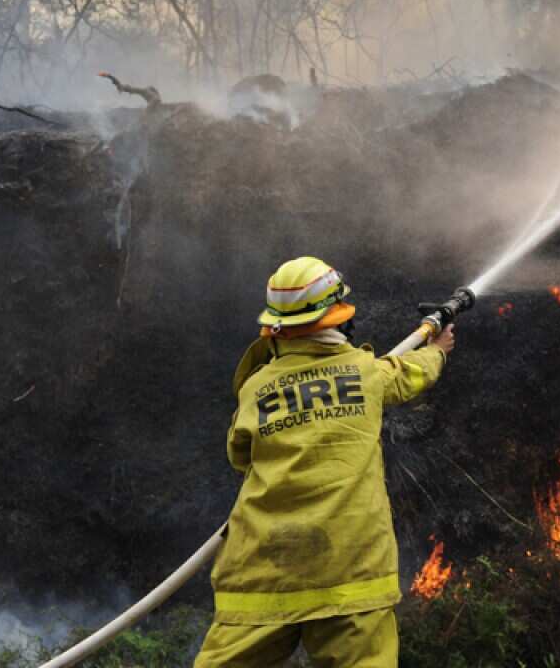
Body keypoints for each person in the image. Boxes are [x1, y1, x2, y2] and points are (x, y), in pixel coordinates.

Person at [194, 256, 455, 668]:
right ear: (337, 317)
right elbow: (410, 373)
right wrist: (438, 350)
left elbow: (239, 455)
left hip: (265, 573)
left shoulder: (256, 388)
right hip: (350, 574)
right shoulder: (366, 373)